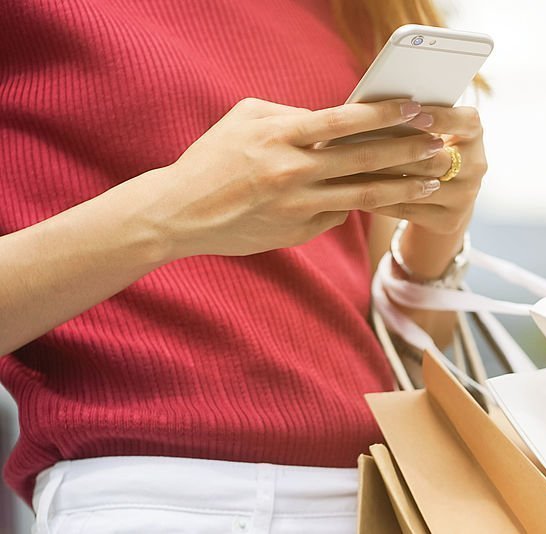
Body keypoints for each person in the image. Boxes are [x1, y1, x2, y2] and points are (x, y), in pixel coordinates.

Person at [0, 1, 488, 531]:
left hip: (379, 495)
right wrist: (175, 209)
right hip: (157, 496)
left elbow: (393, 344)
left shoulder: (353, 10)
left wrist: (439, 230)